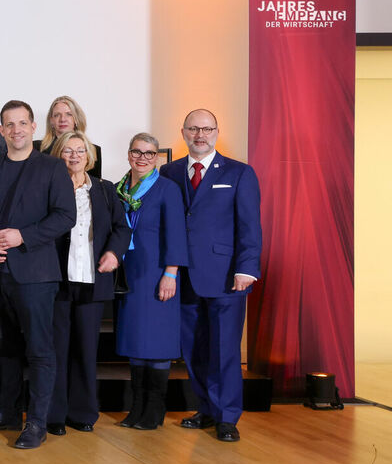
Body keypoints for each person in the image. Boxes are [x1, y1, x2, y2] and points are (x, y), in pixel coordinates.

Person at [0, 100, 75, 450]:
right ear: (1, 130)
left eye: (22, 123)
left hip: (37, 274)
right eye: (9, 125)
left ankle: (37, 423)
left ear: (33, 127)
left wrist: (23, 236)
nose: (16, 130)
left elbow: (64, 216)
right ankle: (7, 412)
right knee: (5, 348)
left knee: (40, 350)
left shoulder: (52, 168)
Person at [160, 109, 261, 443]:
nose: (199, 135)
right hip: (183, 275)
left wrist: (247, 268)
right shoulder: (169, 171)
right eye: (193, 129)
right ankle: (205, 408)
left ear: (217, 131)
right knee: (194, 349)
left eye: (206, 129)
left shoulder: (239, 173)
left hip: (225, 278)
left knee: (224, 350)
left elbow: (249, 227)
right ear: (183, 131)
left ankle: (227, 416)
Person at [49, 131, 129, 435]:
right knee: (57, 350)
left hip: (93, 281)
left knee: (85, 349)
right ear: (59, 154)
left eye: (80, 150)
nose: (74, 155)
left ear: (89, 156)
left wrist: (113, 253)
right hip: (57, 280)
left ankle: (82, 412)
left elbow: (122, 229)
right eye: (67, 150)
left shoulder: (105, 191)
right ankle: (54, 415)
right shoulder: (50, 188)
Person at [114, 132, 188, 431]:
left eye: (149, 153)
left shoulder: (166, 189)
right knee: (136, 342)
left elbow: (176, 233)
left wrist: (171, 273)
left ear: (157, 157)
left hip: (157, 273)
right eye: (137, 151)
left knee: (156, 344)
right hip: (130, 272)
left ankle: (154, 411)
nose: (142, 157)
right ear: (129, 154)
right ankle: (136, 409)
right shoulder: (120, 189)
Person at [39, 96, 103, 179]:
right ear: (51, 121)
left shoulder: (93, 150)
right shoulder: (37, 149)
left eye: (69, 114)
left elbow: (96, 187)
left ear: (76, 119)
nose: (62, 119)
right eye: (57, 115)